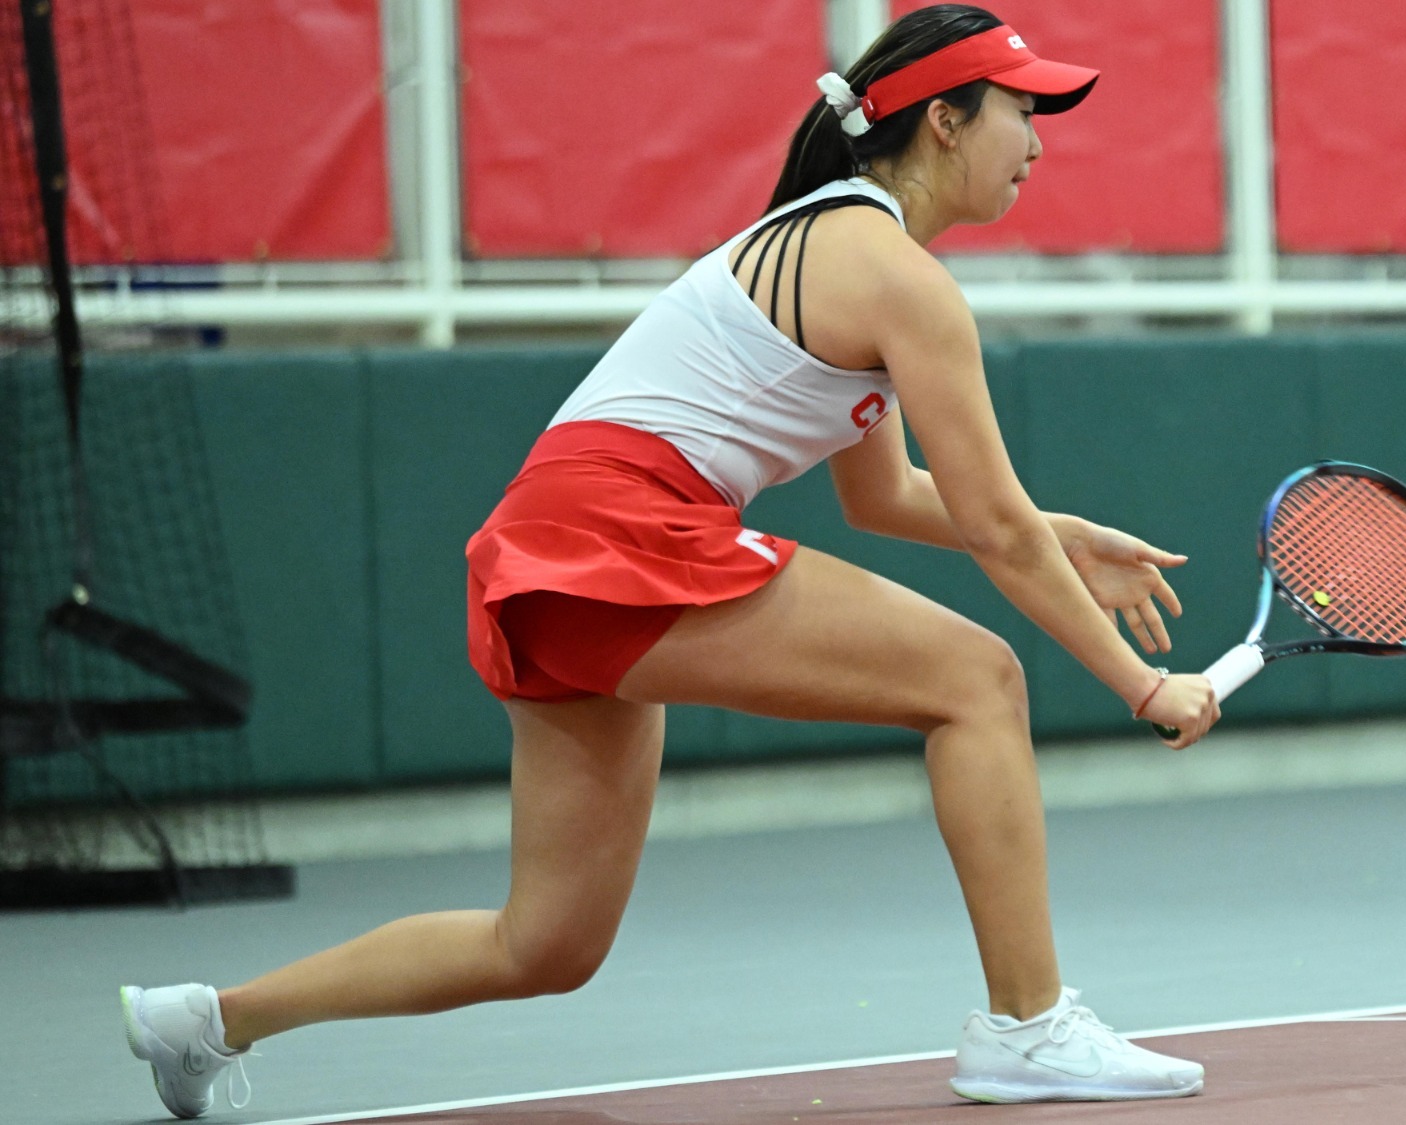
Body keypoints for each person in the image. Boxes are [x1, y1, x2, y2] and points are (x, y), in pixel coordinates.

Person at [118, 5, 1220, 1117]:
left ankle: (208, 1020)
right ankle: (1026, 1028)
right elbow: (990, 529)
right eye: (1021, 114)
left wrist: (1062, 536)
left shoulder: (829, 238)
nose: (1036, 142)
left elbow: (884, 497)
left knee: (542, 944)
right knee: (977, 681)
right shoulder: (891, 273)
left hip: (547, 551)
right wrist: (1138, 685)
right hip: (621, 532)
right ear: (943, 122)